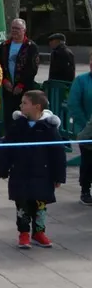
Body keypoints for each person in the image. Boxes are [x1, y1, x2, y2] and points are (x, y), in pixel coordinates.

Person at [0, 90, 65, 249]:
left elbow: (58, 154)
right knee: (22, 205)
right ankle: (24, 233)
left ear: (37, 106)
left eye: (25, 103)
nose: (21, 106)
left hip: (43, 174)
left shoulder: (48, 128)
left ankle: (39, 232)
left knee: (41, 205)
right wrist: (3, 168)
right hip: (20, 173)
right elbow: (7, 148)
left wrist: (59, 176)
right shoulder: (17, 126)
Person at [0, 18, 39, 131]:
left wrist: (21, 84)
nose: (14, 31)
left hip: (25, 89)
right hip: (8, 88)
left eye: (17, 28)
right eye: (13, 28)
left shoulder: (31, 46)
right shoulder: (4, 46)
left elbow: (32, 68)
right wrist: (4, 81)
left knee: (25, 115)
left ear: (24, 30)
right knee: (9, 115)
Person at [67, 52, 92, 205]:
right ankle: (85, 189)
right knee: (88, 162)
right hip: (86, 130)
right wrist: (85, 127)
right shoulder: (81, 81)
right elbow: (74, 105)